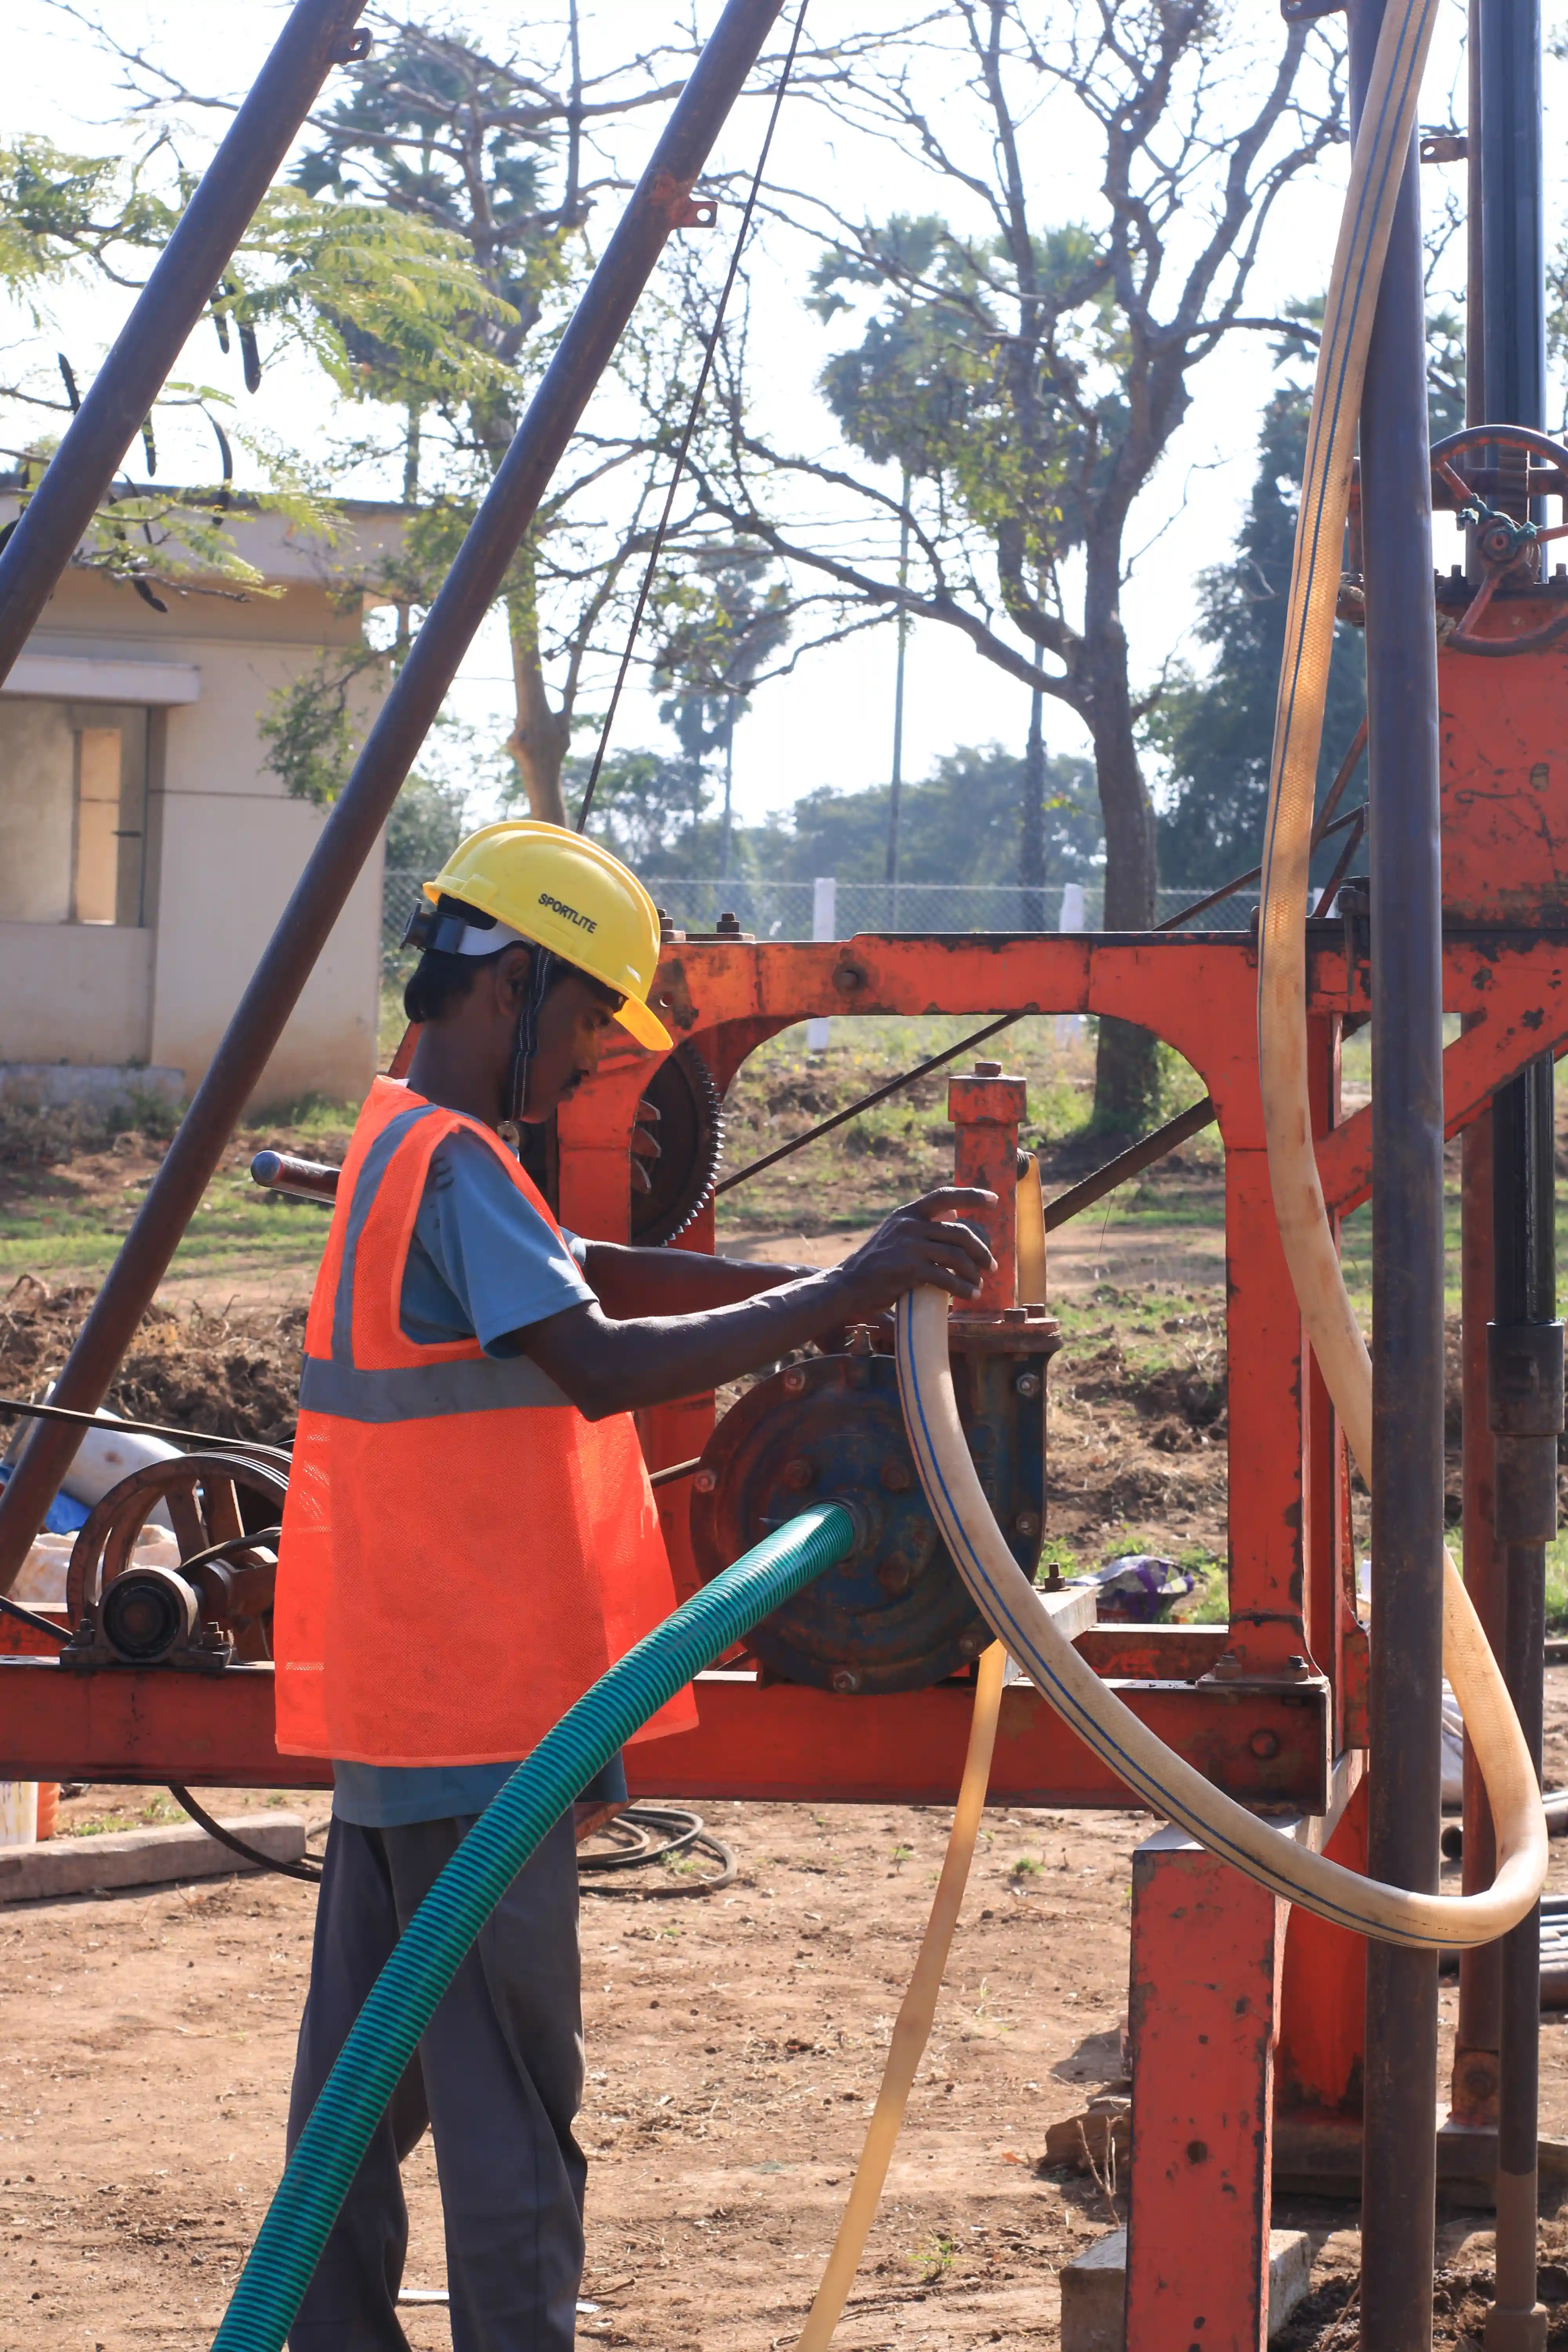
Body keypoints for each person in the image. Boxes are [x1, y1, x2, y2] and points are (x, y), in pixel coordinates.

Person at [272, 820, 994, 2352]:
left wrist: (812, 1291)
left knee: (350, 2107)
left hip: (404, 1713)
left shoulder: (404, 1145)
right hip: (485, 1733)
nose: (600, 1055)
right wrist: (840, 1294)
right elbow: (596, 1358)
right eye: (592, 1017)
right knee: (511, 2123)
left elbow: (578, 1273)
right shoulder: (455, 1164)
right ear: (510, 984)